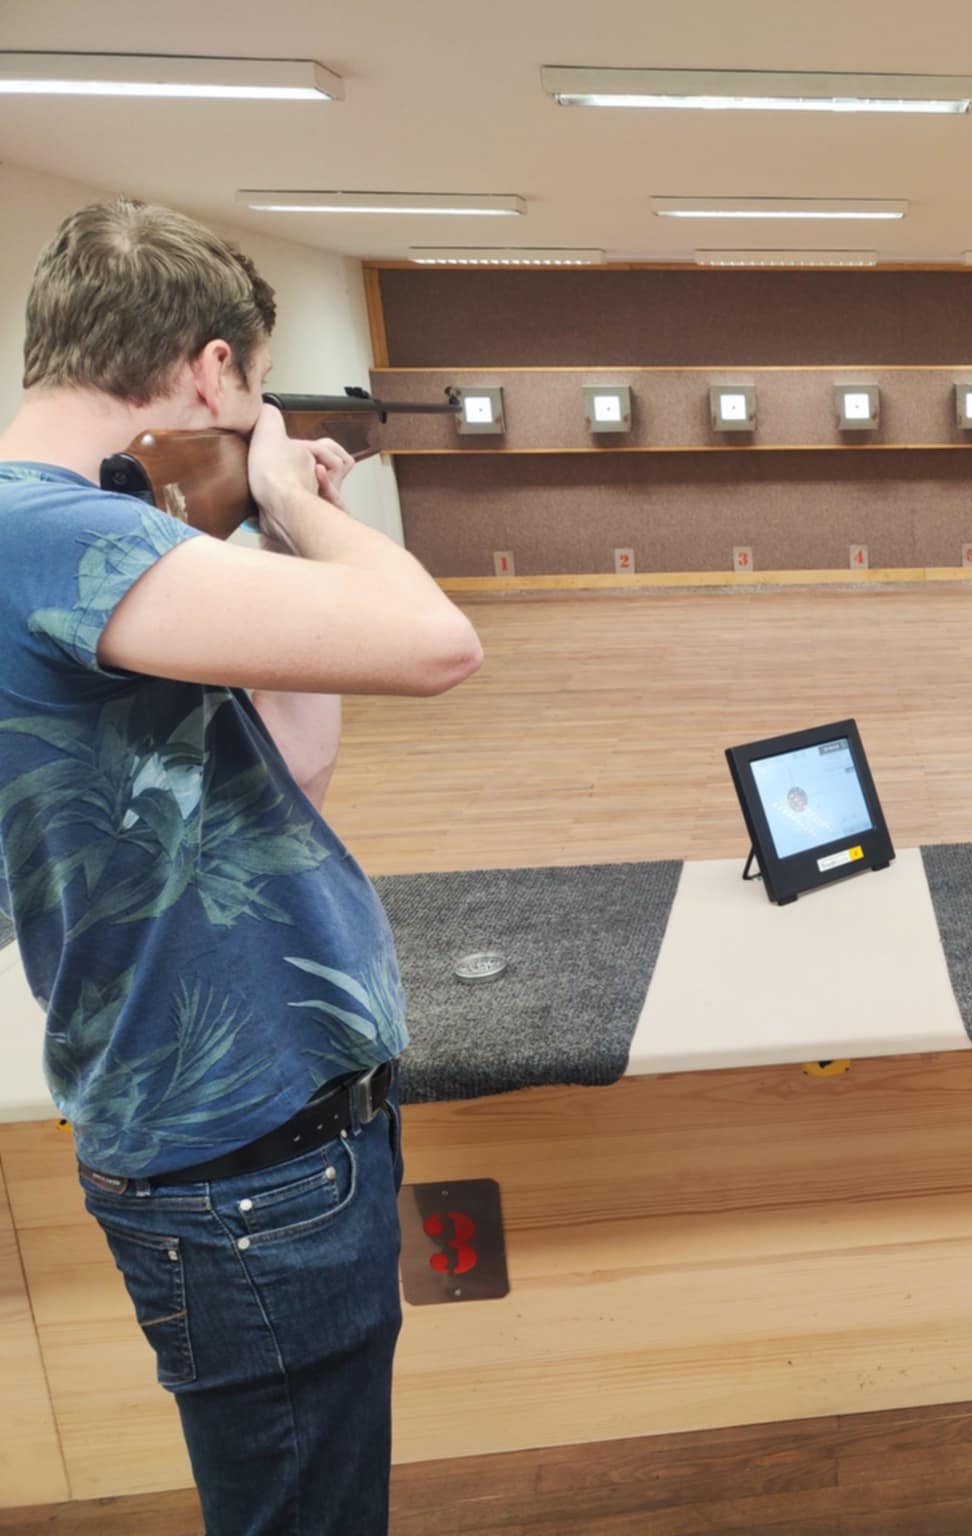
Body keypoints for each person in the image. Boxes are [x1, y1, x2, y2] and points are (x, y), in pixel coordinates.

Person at [0, 199, 483, 1533]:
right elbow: (436, 643)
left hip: (269, 1144)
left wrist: (267, 529)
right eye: (254, 389)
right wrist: (286, 499)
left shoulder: (83, 549)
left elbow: (293, 770)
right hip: (238, 1174)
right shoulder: (49, 538)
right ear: (213, 373)